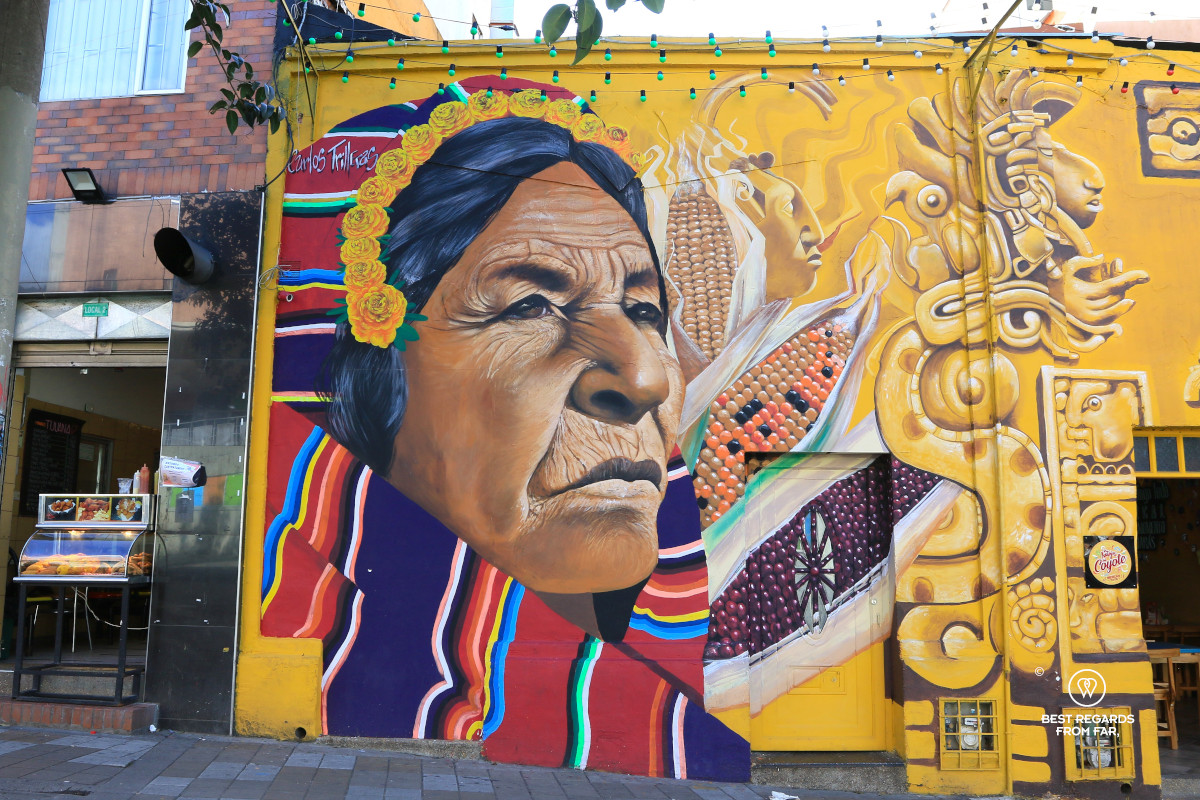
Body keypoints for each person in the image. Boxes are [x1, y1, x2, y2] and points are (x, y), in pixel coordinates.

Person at [265, 81, 748, 779]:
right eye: (528, 305)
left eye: (645, 310)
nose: (646, 377)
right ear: (375, 377)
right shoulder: (302, 617)